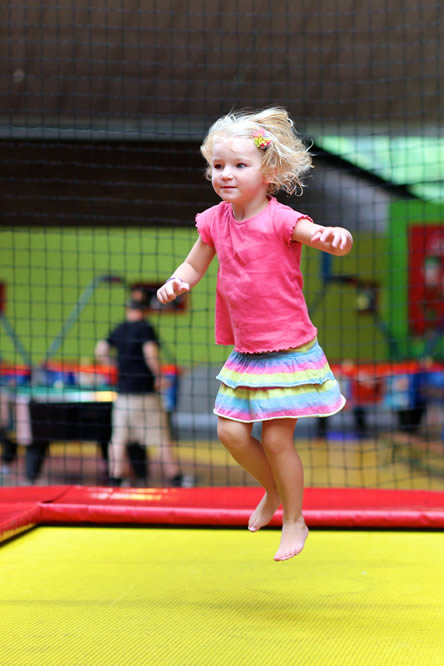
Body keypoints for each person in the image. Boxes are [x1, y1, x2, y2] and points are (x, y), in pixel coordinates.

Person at [157, 107, 353, 561]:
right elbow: (194, 263)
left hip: (287, 346)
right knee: (230, 433)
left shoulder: (281, 219)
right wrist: (179, 281)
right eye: (218, 166)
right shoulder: (213, 221)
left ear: (268, 173)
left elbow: (315, 233)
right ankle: (273, 490)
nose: (226, 175)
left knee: (278, 439)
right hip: (246, 351)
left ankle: (295, 519)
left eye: (239, 166)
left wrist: (333, 235)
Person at [95, 294, 193, 488]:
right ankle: (175, 477)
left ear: (128, 309)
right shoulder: (145, 328)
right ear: (144, 310)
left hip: (123, 395)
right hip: (145, 393)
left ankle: (116, 477)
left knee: (119, 437)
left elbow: (100, 350)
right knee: (162, 436)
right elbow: (150, 353)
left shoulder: (120, 329)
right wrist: (158, 376)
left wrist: (114, 365)